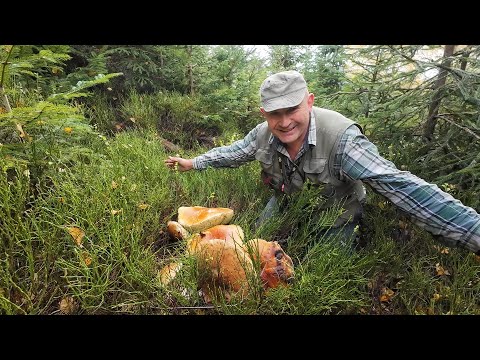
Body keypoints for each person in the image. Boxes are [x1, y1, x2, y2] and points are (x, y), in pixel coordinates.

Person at [165, 70, 480, 254]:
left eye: (293, 109)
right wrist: (194, 163)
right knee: (252, 246)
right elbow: (234, 152)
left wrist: (473, 231)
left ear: (310, 102)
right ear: (264, 114)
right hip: (288, 201)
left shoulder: (342, 139)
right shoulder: (262, 133)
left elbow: (402, 187)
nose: (285, 121)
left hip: (334, 211)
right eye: (275, 113)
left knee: (324, 259)